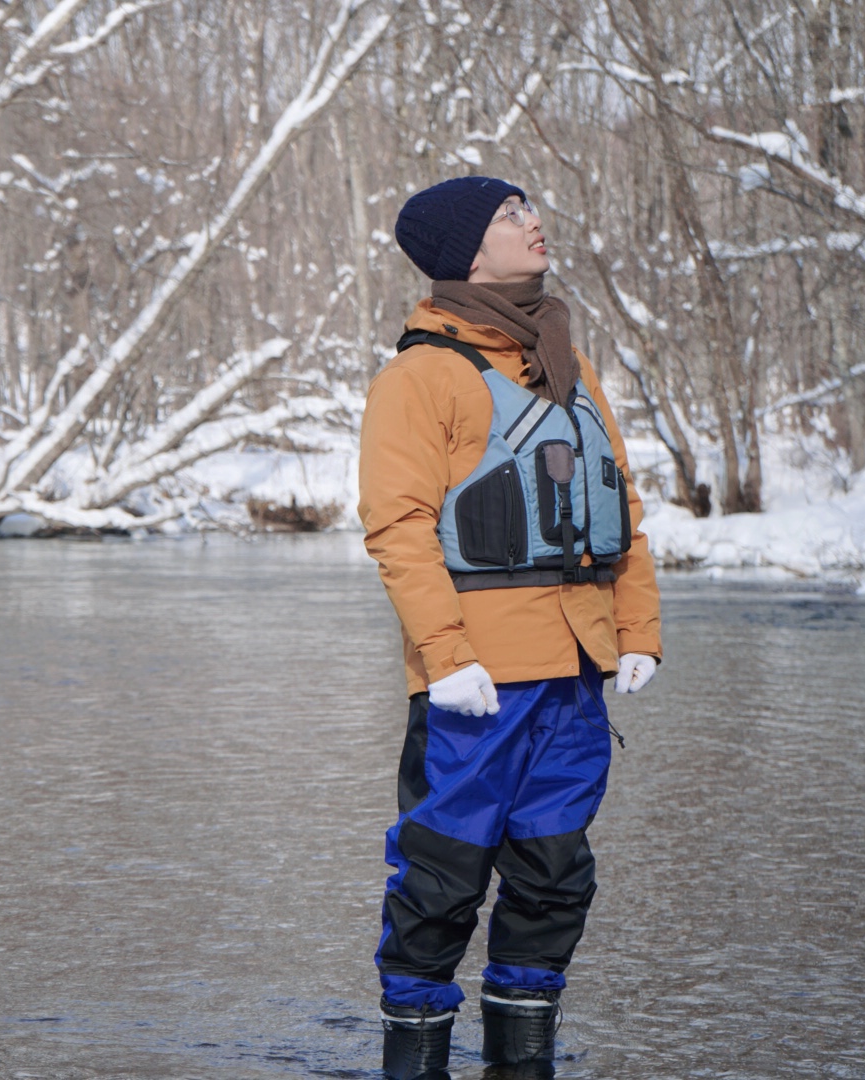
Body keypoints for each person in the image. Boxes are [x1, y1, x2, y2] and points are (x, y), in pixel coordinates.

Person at [358, 176, 663, 1077]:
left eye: (529, 207)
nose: (533, 221)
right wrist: (446, 658)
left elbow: (623, 508)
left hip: (575, 673)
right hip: (477, 683)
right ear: (465, 253)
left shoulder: (565, 363)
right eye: (507, 215)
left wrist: (638, 630)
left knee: (554, 873)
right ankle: (413, 1057)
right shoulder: (420, 377)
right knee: (444, 878)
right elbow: (398, 531)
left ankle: (521, 1056)